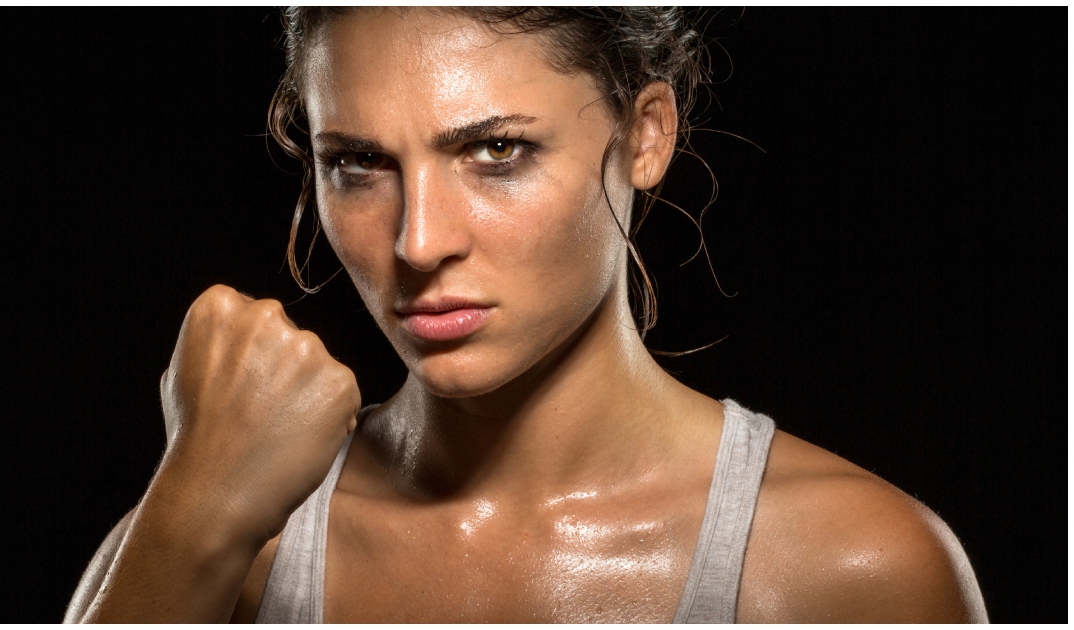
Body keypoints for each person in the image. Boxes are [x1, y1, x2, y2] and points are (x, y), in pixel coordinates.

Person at [64, 7, 987, 623]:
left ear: (647, 134)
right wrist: (188, 524)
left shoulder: (851, 571)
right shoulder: (226, 536)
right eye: (357, 163)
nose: (418, 242)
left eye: (495, 150)